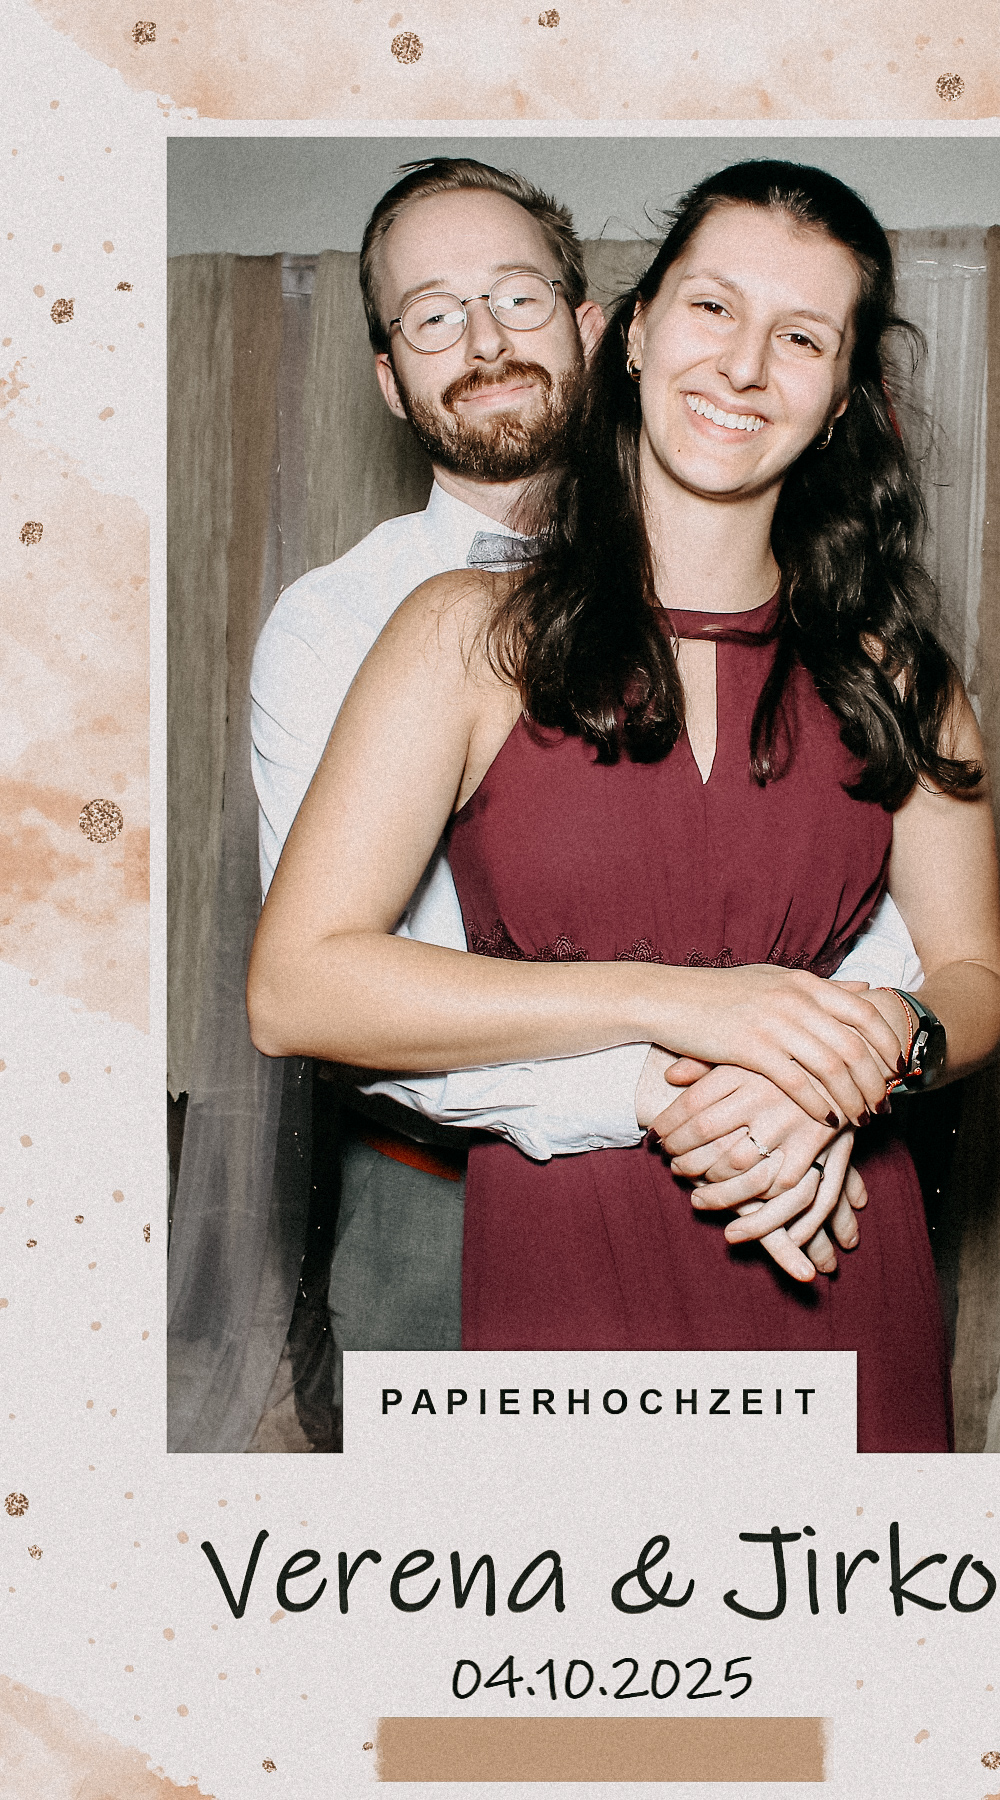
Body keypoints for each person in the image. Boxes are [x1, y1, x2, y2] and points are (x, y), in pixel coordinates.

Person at [250, 157, 923, 1365]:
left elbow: (875, 902)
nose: (485, 343)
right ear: (389, 379)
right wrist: (684, 1070)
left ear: (597, 324)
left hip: (790, 1161)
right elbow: (331, 985)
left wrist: (823, 1075)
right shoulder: (340, 621)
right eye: (432, 316)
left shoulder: (788, 598)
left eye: (518, 296)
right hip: (442, 1188)